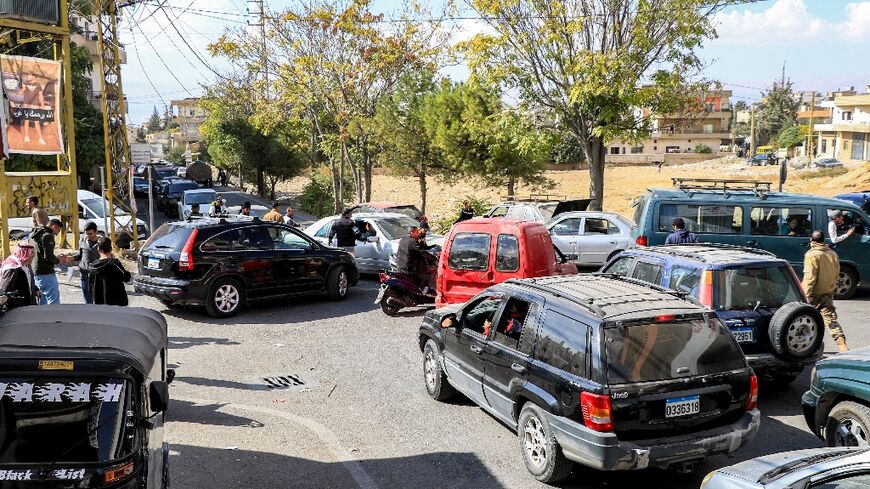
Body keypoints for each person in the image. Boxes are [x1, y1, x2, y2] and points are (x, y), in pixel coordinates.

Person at [803, 230, 848, 352]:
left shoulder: (811, 255)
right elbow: (837, 273)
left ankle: (806, 348)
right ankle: (842, 345)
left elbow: (810, 277)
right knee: (830, 320)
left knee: (805, 321)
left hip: (813, 295)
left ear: (812, 241)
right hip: (827, 293)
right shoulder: (832, 254)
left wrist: (804, 294)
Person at [32, 219, 70, 305]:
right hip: (46, 272)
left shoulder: (34, 234)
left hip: (35, 271)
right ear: (54, 226)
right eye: (58, 230)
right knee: (53, 299)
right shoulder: (48, 236)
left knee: (42, 298)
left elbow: (40, 253)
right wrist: (58, 260)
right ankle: (54, 317)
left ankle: (42, 318)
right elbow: (48, 257)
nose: (57, 233)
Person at [89, 238, 131, 306]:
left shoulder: (92, 266)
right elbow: (126, 277)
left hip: (100, 302)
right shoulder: (115, 264)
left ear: (98, 249)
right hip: (117, 302)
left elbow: (90, 287)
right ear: (111, 249)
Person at [395, 226, 437, 294]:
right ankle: (424, 293)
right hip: (409, 268)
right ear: (412, 233)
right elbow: (422, 252)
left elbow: (422, 249)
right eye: (417, 232)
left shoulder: (402, 240)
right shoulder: (412, 241)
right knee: (426, 275)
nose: (418, 233)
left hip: (401, 266)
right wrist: (434, 258)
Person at [0, 243, 38, 309]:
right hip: (17, 308)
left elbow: (27, 280)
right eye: (31, 257)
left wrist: (35, 289)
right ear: (25, 255)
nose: (32, 260)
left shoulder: (25, 264)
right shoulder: (11, 268)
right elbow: (4, 292)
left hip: (28, 305)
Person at [72, 222, 100, 304]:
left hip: (97, 275)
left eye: (90, 234)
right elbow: (80, 255)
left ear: (96, 232)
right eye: (86, 234)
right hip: (84, 274)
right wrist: (72, 258)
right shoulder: (82, 240)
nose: (88, 236)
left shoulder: (102, 242)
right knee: (88, 300)